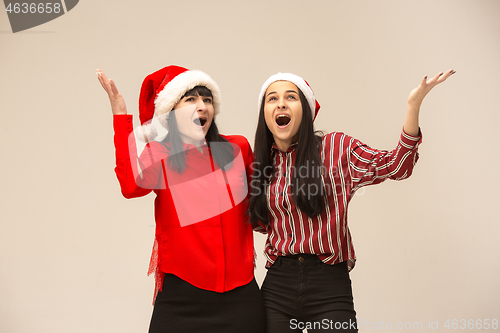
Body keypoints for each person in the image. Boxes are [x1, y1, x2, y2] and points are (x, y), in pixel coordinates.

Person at [249, 70, 455, 332]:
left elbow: (397, 166)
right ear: (264, 113)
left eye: (291, 97)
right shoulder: (261, 163)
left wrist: (413, 106)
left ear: (307, 109)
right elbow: (259, 222)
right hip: (278, 285)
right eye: (272, 98)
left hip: (328, 286)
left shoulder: (336, 149)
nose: (281, 103)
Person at [97, 65, 266, 333]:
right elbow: (131, 186)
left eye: (207, 100)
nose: (202, 106)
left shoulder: (237, 149)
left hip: (240, 297)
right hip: (182, 298)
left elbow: (263, 210)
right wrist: (120, 115)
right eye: (190, 99)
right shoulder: (160, 155)